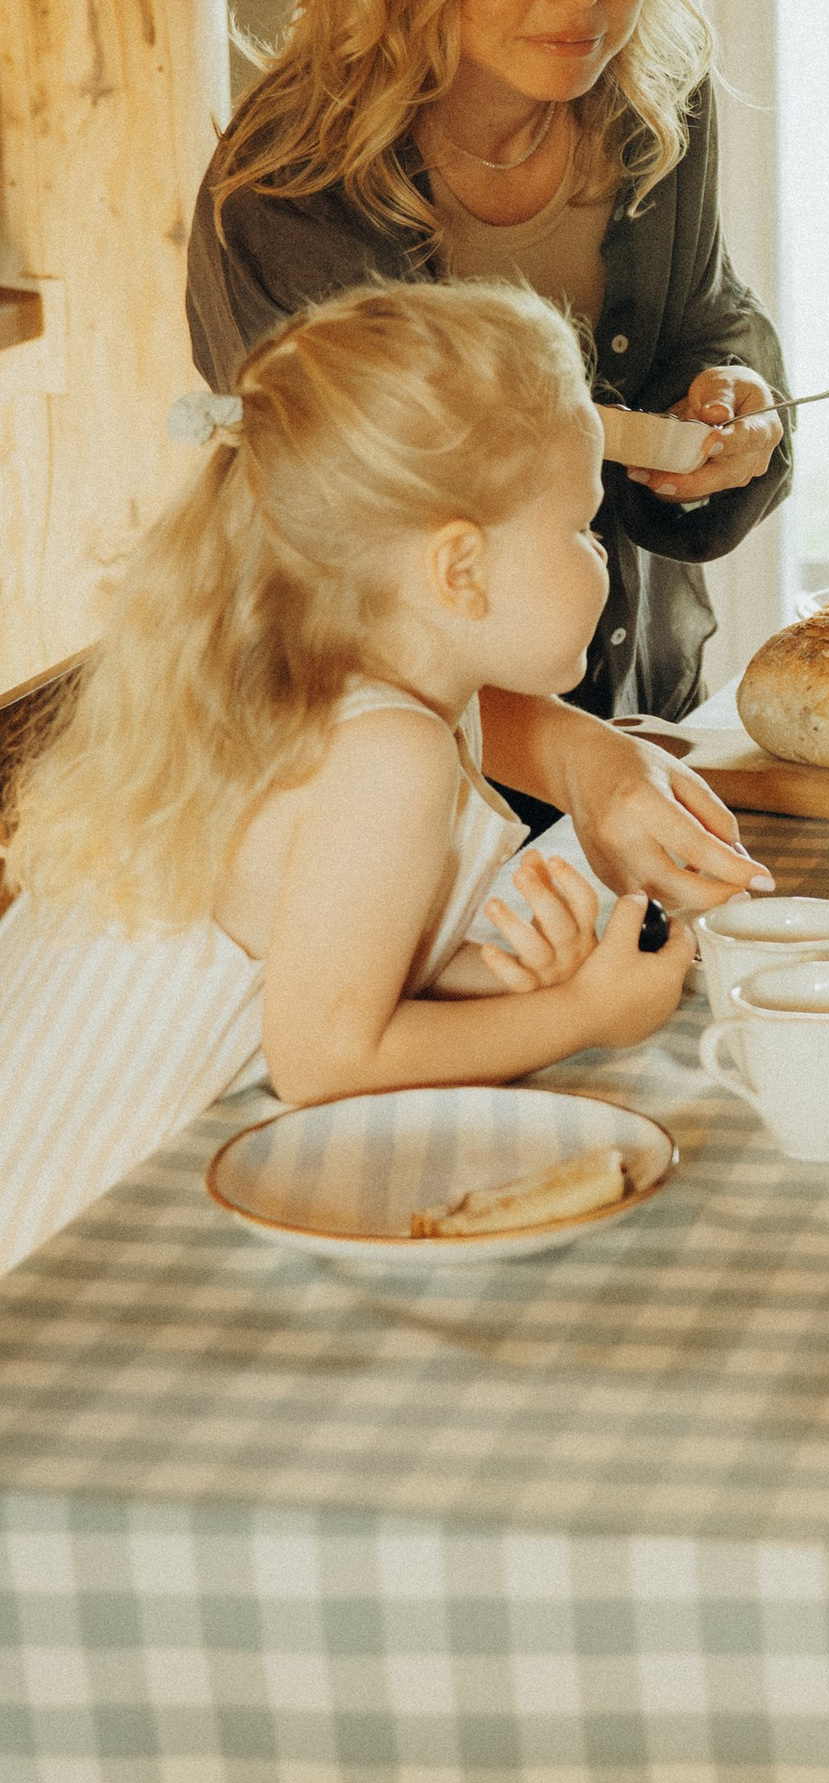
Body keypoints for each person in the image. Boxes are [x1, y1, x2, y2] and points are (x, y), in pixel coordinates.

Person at [188, 0, 788, 899]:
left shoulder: (660, 109)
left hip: (630, 731)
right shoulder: (285, 193)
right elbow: (333, 610)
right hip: (374, 810)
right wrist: (577, 756)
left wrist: (738, 413)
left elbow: (708, 316)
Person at [0, 279, 703, 1275]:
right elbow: (327, 1062)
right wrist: (585, 1015)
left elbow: (313, 958)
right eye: (582, 530)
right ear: (460, 571)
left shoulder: (368, 692)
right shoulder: (388, 752)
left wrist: (483, 978)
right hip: (67, 1227)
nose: (602, 561)